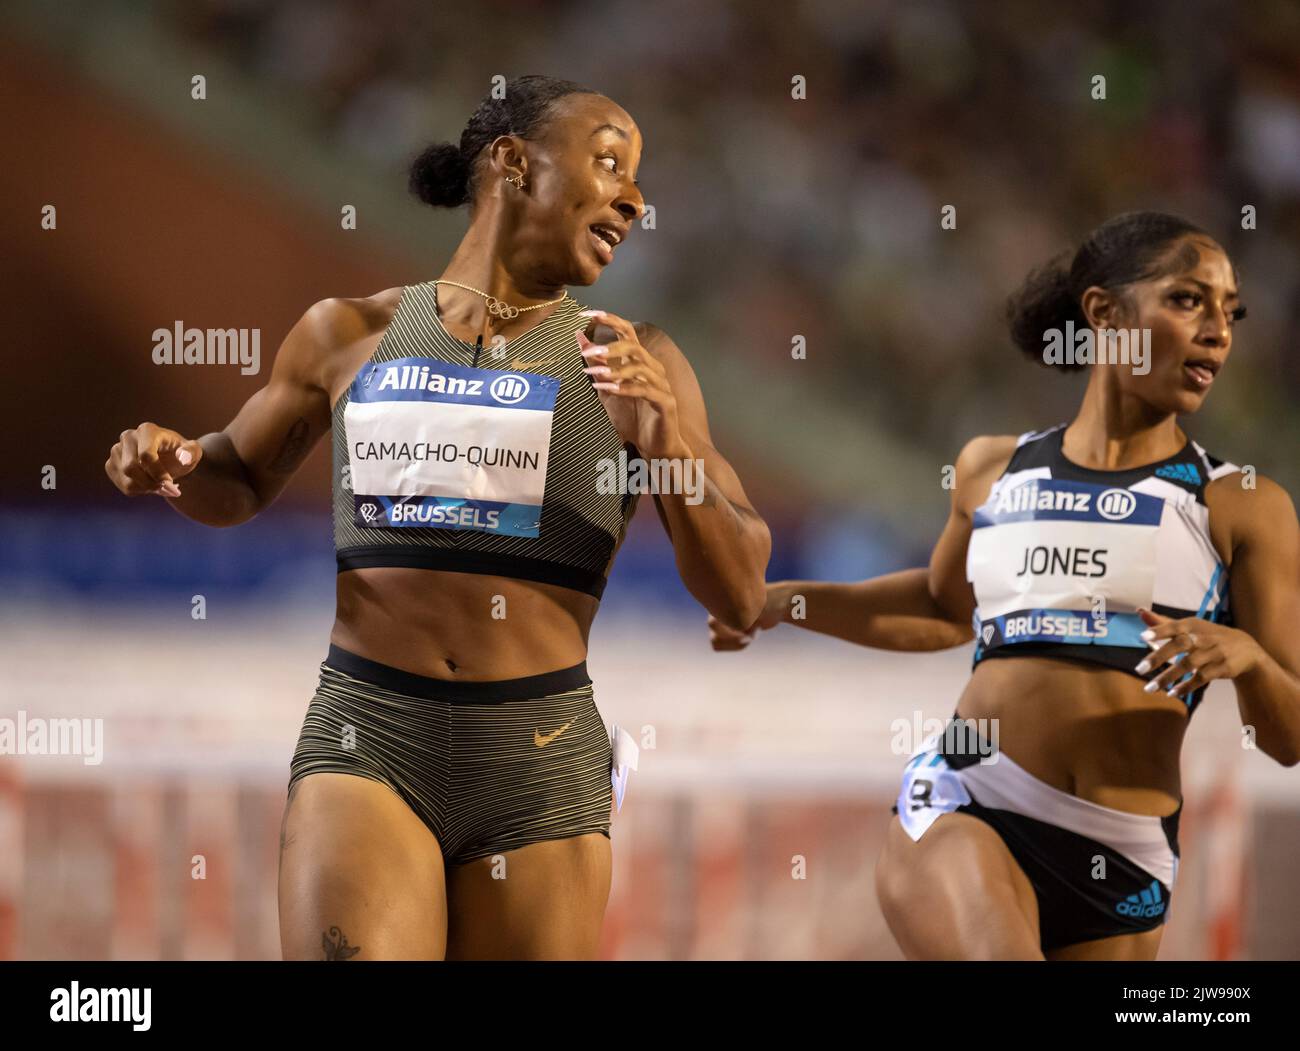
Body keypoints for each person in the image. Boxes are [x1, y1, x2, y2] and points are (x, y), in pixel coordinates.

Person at [106, 75, 770, 960]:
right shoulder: (350, 332)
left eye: (638, 179)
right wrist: (176, 464)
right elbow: (234, 475)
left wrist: (670, 437)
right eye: (610, 162)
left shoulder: (637, 361)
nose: (635, 199)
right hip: (367, 736)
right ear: (511, 162)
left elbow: (742, 587)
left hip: (539, 760)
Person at [710, 212, 1300, 960]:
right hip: (974, 795)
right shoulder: (995, 467)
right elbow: (938, 607)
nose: (1220, 329)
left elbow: (1290, 738)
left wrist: (1246, 654)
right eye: (1189, 299)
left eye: (1232, 310)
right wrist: (783, 601)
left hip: (1121, 852)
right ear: (1104, 313)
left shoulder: (1244, 504)